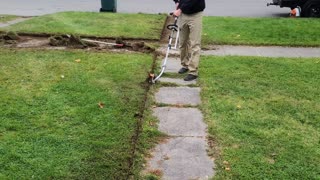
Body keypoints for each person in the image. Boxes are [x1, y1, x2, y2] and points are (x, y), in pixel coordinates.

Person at [172, 0, 206, 81]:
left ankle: (193, 72)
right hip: (183, 15)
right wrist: (176, 1)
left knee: (195, 44)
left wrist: (180, 9)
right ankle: (185, 65)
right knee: (182, 43)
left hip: (195, 15)